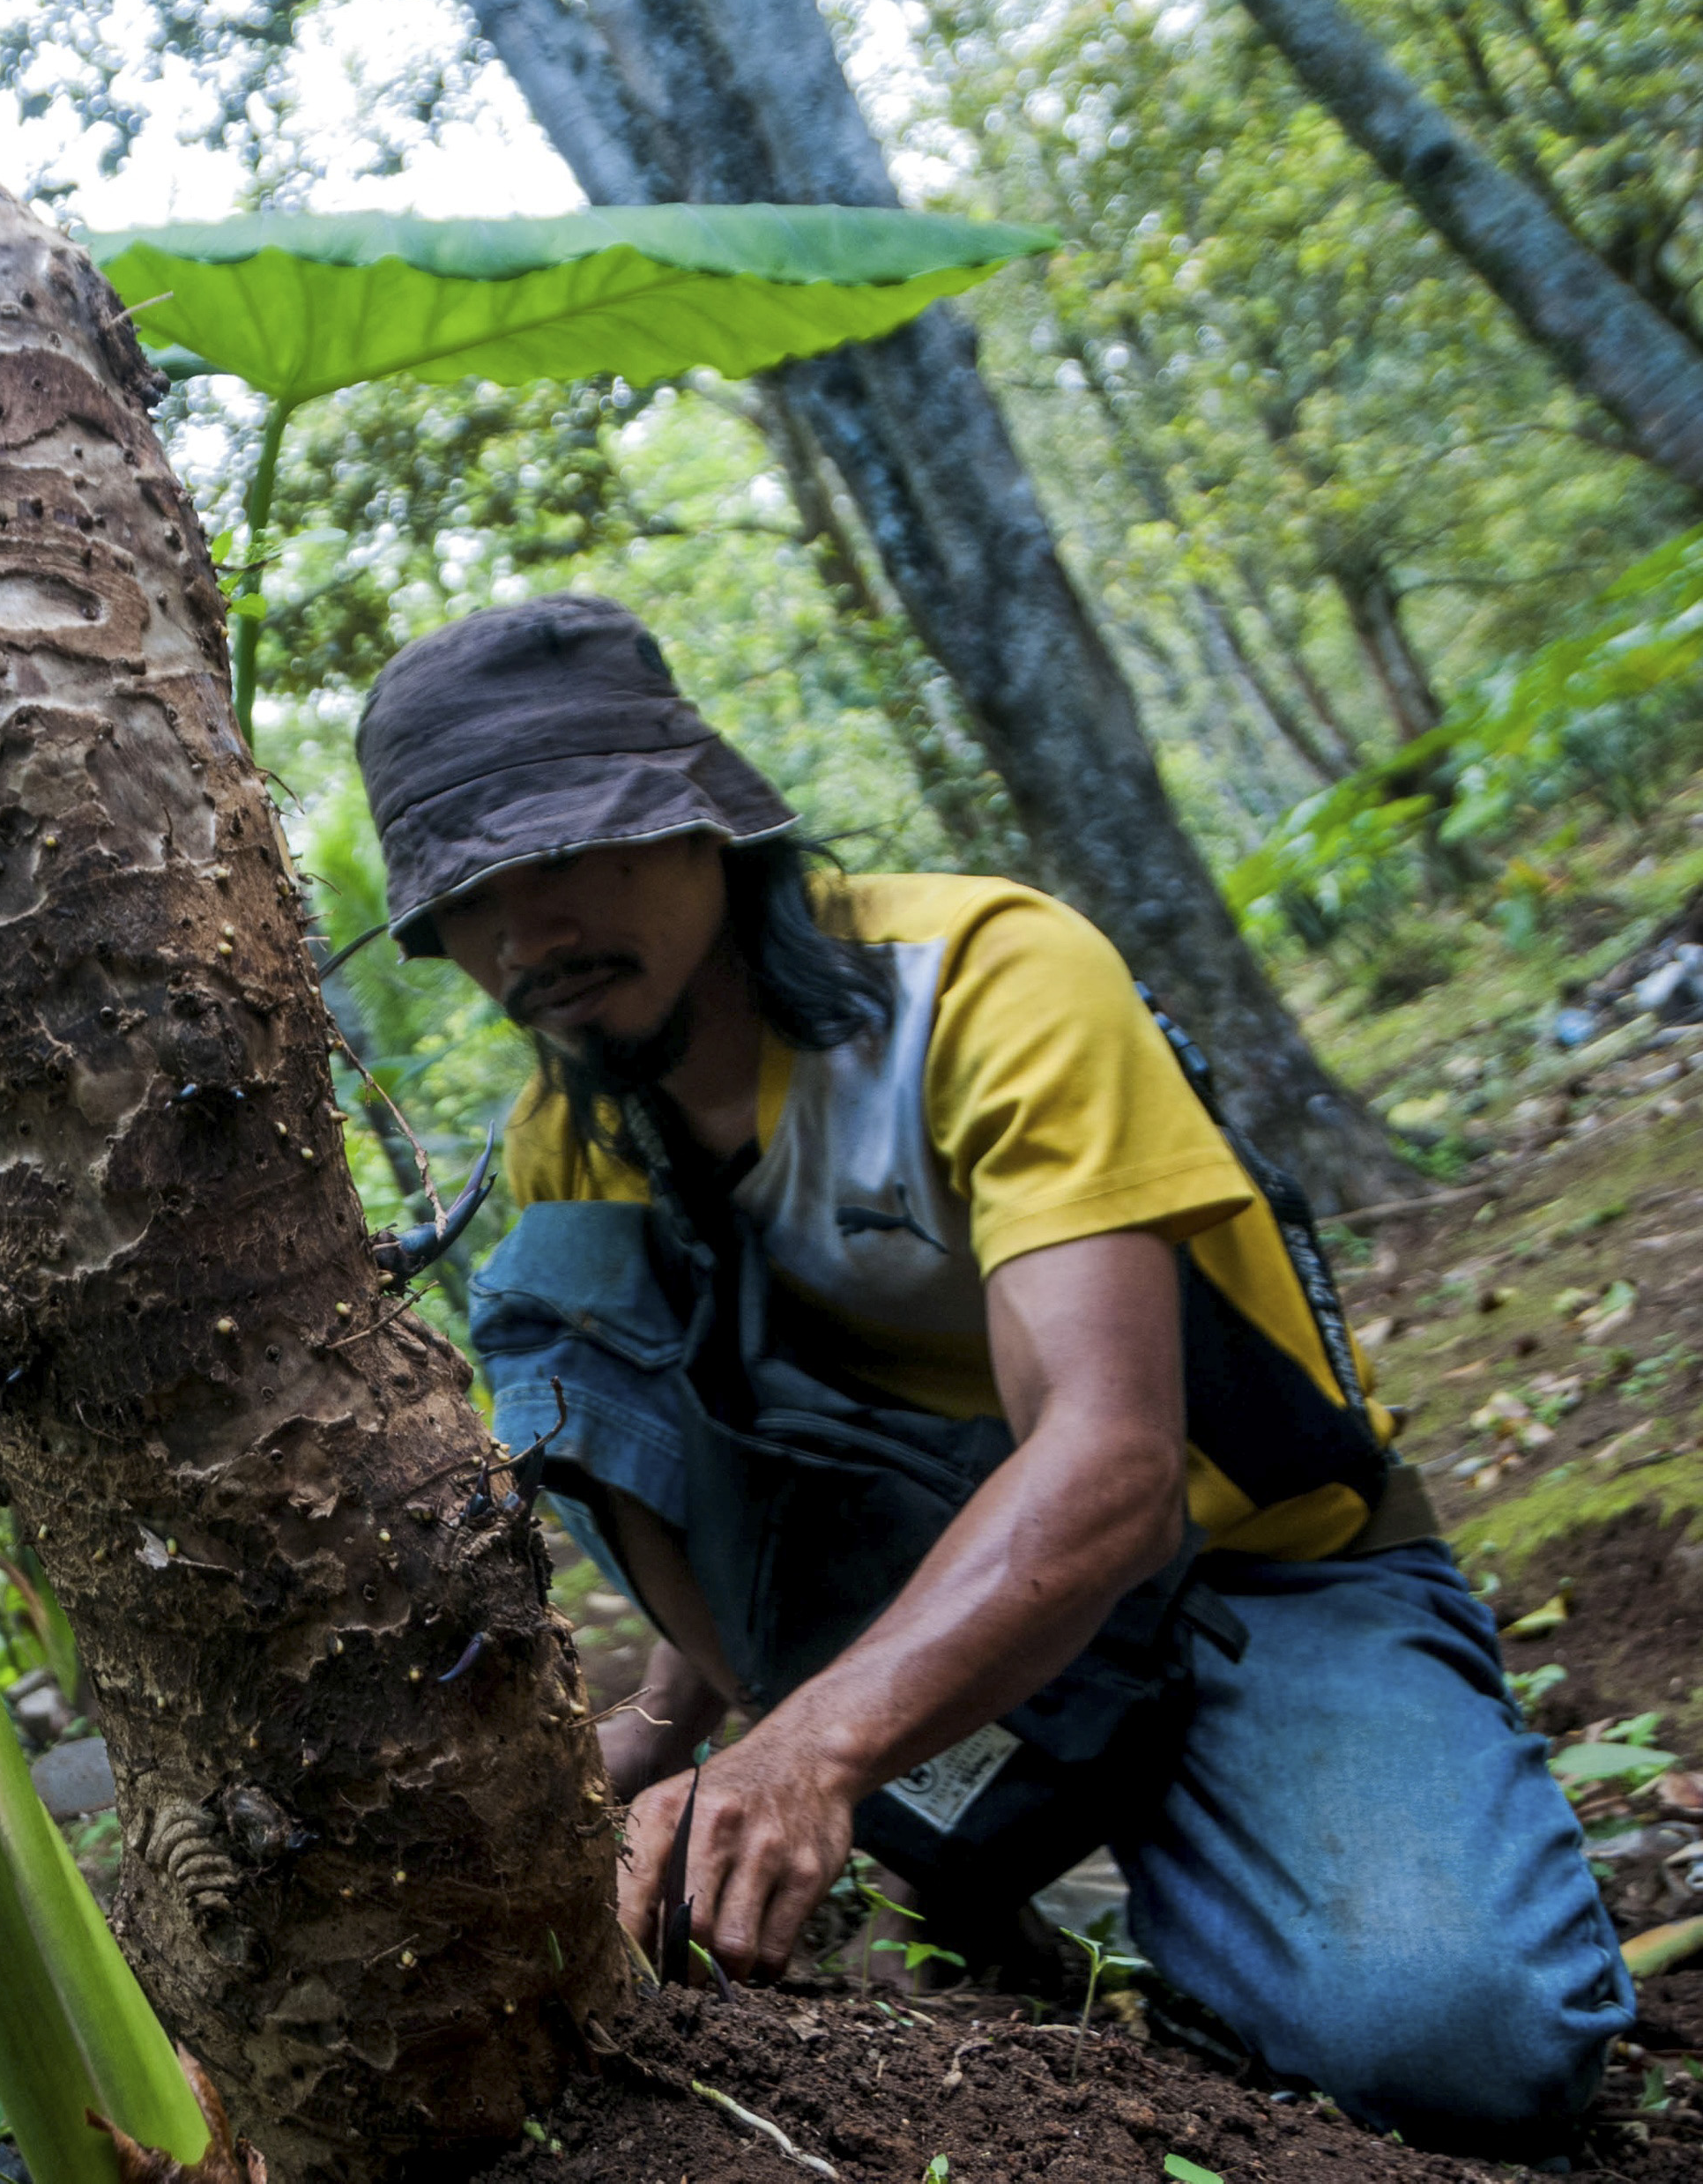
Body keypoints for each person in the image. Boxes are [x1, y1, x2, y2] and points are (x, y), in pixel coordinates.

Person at [354, 593, 1630, 2161]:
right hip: (923, 1632)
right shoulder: (577, 1138)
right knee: (551, 1290)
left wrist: (813, 1752)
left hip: (1255, 1581)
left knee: (1459, 2037)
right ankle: (1011, 1846)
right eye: (472, 897)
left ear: (705, 826)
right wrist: (682, 1721)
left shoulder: (981, 979)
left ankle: (1174, 1846)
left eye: (567, 857)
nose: (526, 937)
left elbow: (1109, 1462)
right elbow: (673, 1450)